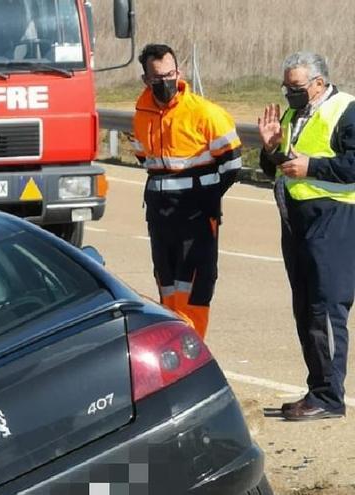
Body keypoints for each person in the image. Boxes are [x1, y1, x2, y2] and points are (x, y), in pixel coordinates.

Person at [257, 51, 355, 421]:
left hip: (333, 218)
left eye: (295, 87)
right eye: (286, 86)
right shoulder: (294, 113)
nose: (289, 93)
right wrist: (270, 148)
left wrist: (312, 165)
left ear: (318, 83)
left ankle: (330, 397)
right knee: (306, 308)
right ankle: (318, 389)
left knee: (326, 307)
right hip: (296, 221)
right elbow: (279, 167)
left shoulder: (345, 110)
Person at [131, 44, 242, 339]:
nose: (165, 82)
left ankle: (193, 351)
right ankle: (173, 347)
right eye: (157, 78)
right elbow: (145, 160)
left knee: (195, 289)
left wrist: (205, 199)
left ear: (179, 72)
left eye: (170, 75)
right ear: (146, 80)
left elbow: (232, 165)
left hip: (196, 216)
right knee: (167, 286)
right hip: (160, 215)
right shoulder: (141, 115)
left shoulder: (206, 113)